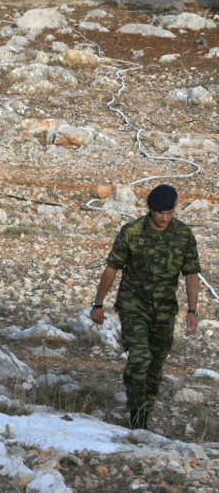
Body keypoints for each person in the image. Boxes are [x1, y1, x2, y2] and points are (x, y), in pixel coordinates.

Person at [90, 184, 201, 430]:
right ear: (149, 209)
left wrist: (192, 311)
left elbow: (191, 273)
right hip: (133, 304)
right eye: (159, 212)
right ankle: (136, 415)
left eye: (169, 213)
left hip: (164, 309)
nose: (164, 218)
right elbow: (112, 267)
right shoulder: (131, 232)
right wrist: (98, 304)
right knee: (140, 358)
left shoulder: (183, 234)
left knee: (155, 364)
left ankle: (145, 413)